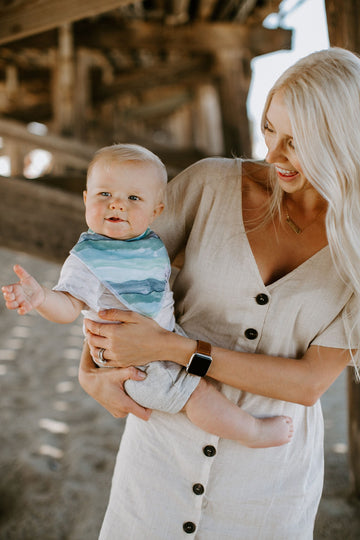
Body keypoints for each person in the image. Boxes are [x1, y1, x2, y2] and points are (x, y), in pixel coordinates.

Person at [77, 48, 360, 540]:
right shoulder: (209, 184)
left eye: (296, 141)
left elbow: (309, 382)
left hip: (269, 477)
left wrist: (174, 349)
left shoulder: (356, 247)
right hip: (159, 460)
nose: (272, 154)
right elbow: (113, 272)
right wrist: (89, 370)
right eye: (270, 129)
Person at [1, 143, 293, 449]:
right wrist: (42, 298)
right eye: (104, 195)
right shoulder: (88, 259)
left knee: (205, 382)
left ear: (157, 211)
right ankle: (253, 433)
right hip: (133, 365)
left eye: (133, 198)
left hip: (161, 342)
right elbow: (68, 306)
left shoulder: (147, 243)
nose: (117, 205)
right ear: (86, 199)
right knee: (196, 397)